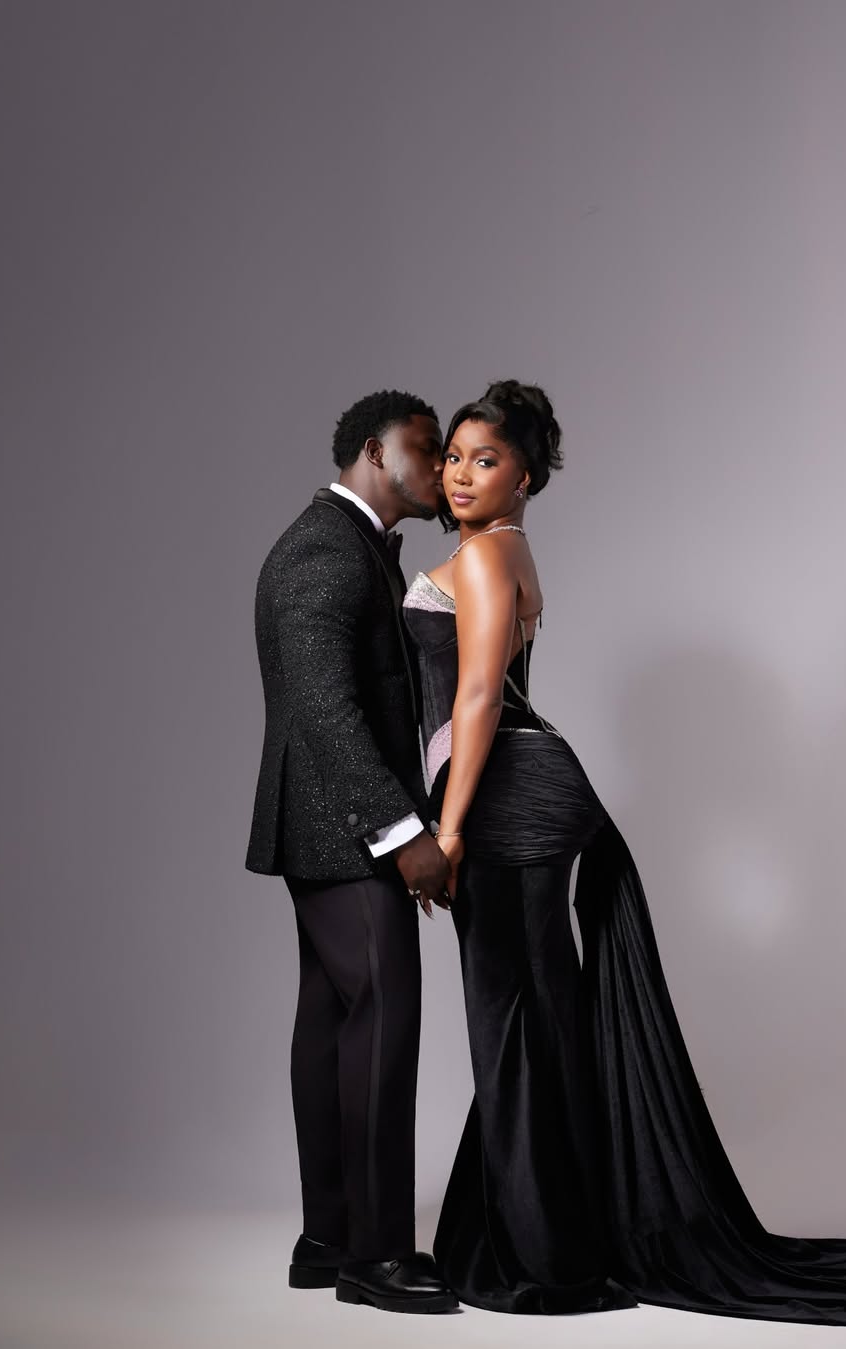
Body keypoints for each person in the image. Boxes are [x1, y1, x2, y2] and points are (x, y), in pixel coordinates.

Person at [401, 379, 846, 1320]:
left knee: (511, 1023)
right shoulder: (508, 551)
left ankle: (540, 1256)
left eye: (487, 459)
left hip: (508, 799)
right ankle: (539, 1233)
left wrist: (447, 827)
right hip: (533, 790)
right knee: (538, 1021)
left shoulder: (482, 556)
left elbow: (477, 698)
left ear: (526, 478)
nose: (461, 474)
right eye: (454, 457)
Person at [246, 389, 458, 1314]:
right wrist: (404, 834)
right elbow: (326, 711)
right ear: (374, 450)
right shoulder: (324, 551)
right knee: (383, 1015)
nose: (441, 463)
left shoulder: (350, 546)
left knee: (335, 1019)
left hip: (332, 825)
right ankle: (375, 1255)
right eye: (425, 445)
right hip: (344, 828)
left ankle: (328, 1237)